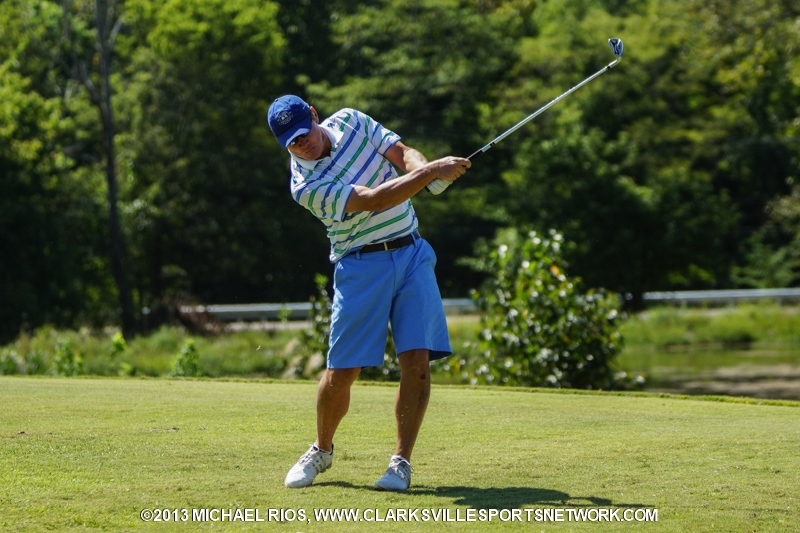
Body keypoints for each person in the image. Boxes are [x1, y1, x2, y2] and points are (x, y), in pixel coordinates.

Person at [267, 95, 470, 491]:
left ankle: (400, 463)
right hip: (360, 265)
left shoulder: (352, 120)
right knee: (343, 371)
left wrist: (425, 171)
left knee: (417, 361)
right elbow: (375, 200)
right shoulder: (305, 185)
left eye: (304, 134)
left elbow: (403, 153)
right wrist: (432, 173)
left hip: (411, 252)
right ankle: (322, 449)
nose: (302, 145)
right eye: (292, 143)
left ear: (314, 115)